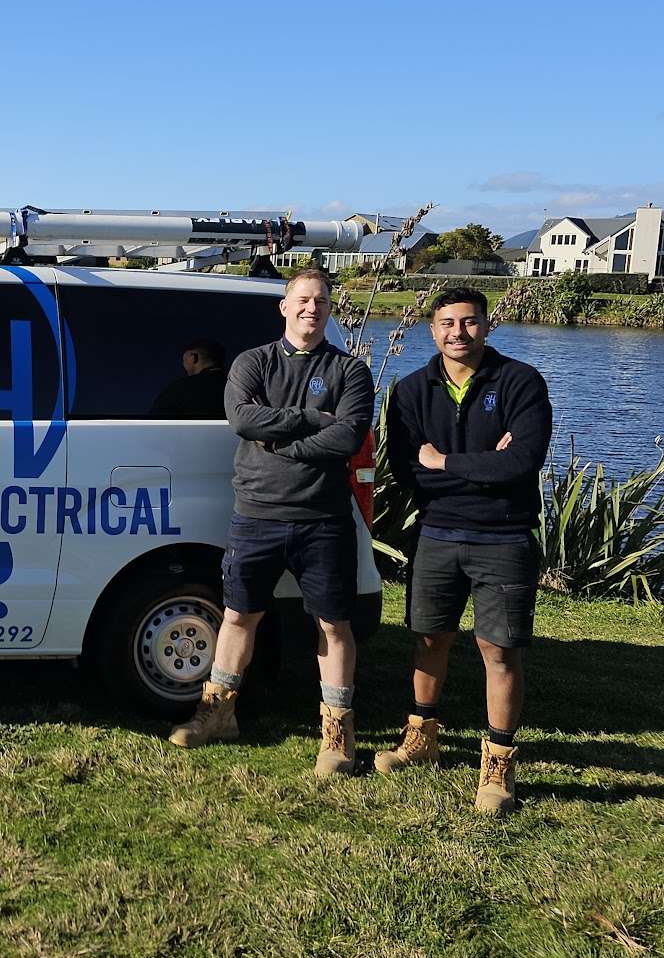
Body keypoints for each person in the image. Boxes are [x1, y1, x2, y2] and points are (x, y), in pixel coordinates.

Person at [169, 268, 374, 776]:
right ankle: (218, 714)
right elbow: (242, 419)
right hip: (256, 514)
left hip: (323, 519)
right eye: (302, 299)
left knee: (333, 624)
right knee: (239, 615)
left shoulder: (349, 370)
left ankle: (338, 731)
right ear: (284, 307)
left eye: (321, 301)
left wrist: (278, 440)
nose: (311, 308)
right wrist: (311, 420)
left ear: (330, 309)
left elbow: (348, 438)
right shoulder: (253, 362)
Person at [376, 287, 552, 814]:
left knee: (499, 650)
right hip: (437, 532)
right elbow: (408, 471)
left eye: (470, 321)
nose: (459, 332)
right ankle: (421, 737)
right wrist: (481, 466)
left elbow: (522, 463)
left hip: (505, 535)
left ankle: (498, 762)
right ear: (432, 330)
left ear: (486, 326)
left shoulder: (520, 381)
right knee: (429, 638)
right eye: (448, 323)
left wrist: (446, 462)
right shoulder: (411, 390)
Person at [150, 338, 228, 419]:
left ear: (193, 357)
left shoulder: (179, 389)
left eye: (183, 360)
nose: (183, 365)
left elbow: (153, 421)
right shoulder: (234, 387)